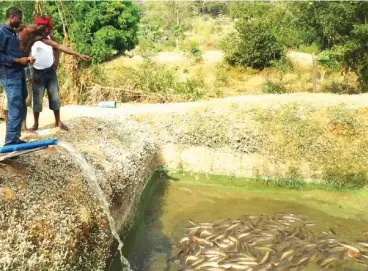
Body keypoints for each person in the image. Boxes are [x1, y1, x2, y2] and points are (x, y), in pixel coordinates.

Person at [30, 16, 90, 131]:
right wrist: (31, 68)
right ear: (41, 28)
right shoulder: (33, 39)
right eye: (47, 29)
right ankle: (36, 124)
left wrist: (78, 55)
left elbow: (58, 47)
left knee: (55, 97)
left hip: (50, 72)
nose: (49, 31)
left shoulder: (49, 37)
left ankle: (58, 122)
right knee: (37, 99)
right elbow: (26, 52)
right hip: (37, 73)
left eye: (50, 29)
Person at [0, 7, 35, 145]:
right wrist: (17, 61)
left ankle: (16, 138)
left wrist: (25, 59)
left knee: (20, 106)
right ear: (13, 17)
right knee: (14, 108)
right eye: (19, 18)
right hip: (10, 76)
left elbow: (14, 54)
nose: (20, 21)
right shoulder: (2, 33)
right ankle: (9, 144)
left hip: (18, 74)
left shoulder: (13, 33)